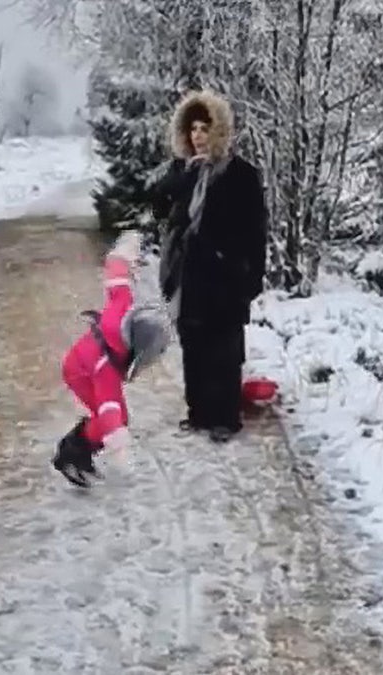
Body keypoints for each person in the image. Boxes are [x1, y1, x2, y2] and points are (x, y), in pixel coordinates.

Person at [151, 90, 269, 444]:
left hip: (225, 276)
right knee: (194, 344)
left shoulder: (240, 174)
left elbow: (256, 230)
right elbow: (158, 208)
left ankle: (225, 417)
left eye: (205, 128)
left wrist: (251, 278)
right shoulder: (183, 173)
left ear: (218, 131)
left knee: (224, 347)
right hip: (189, 275)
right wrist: (179, 178)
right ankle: (199, 412)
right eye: (193, 130)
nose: (198, 136)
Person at [53, 230, 172, 487]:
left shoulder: (124, 310)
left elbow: (117, 276)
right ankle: (71, 455)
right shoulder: (106, 366)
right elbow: (110, 408)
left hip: (86, 361)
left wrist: (129, 248)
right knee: (110, 420)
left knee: (114, 419)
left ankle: (79, 449)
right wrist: (120, 448)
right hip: (80, 371)